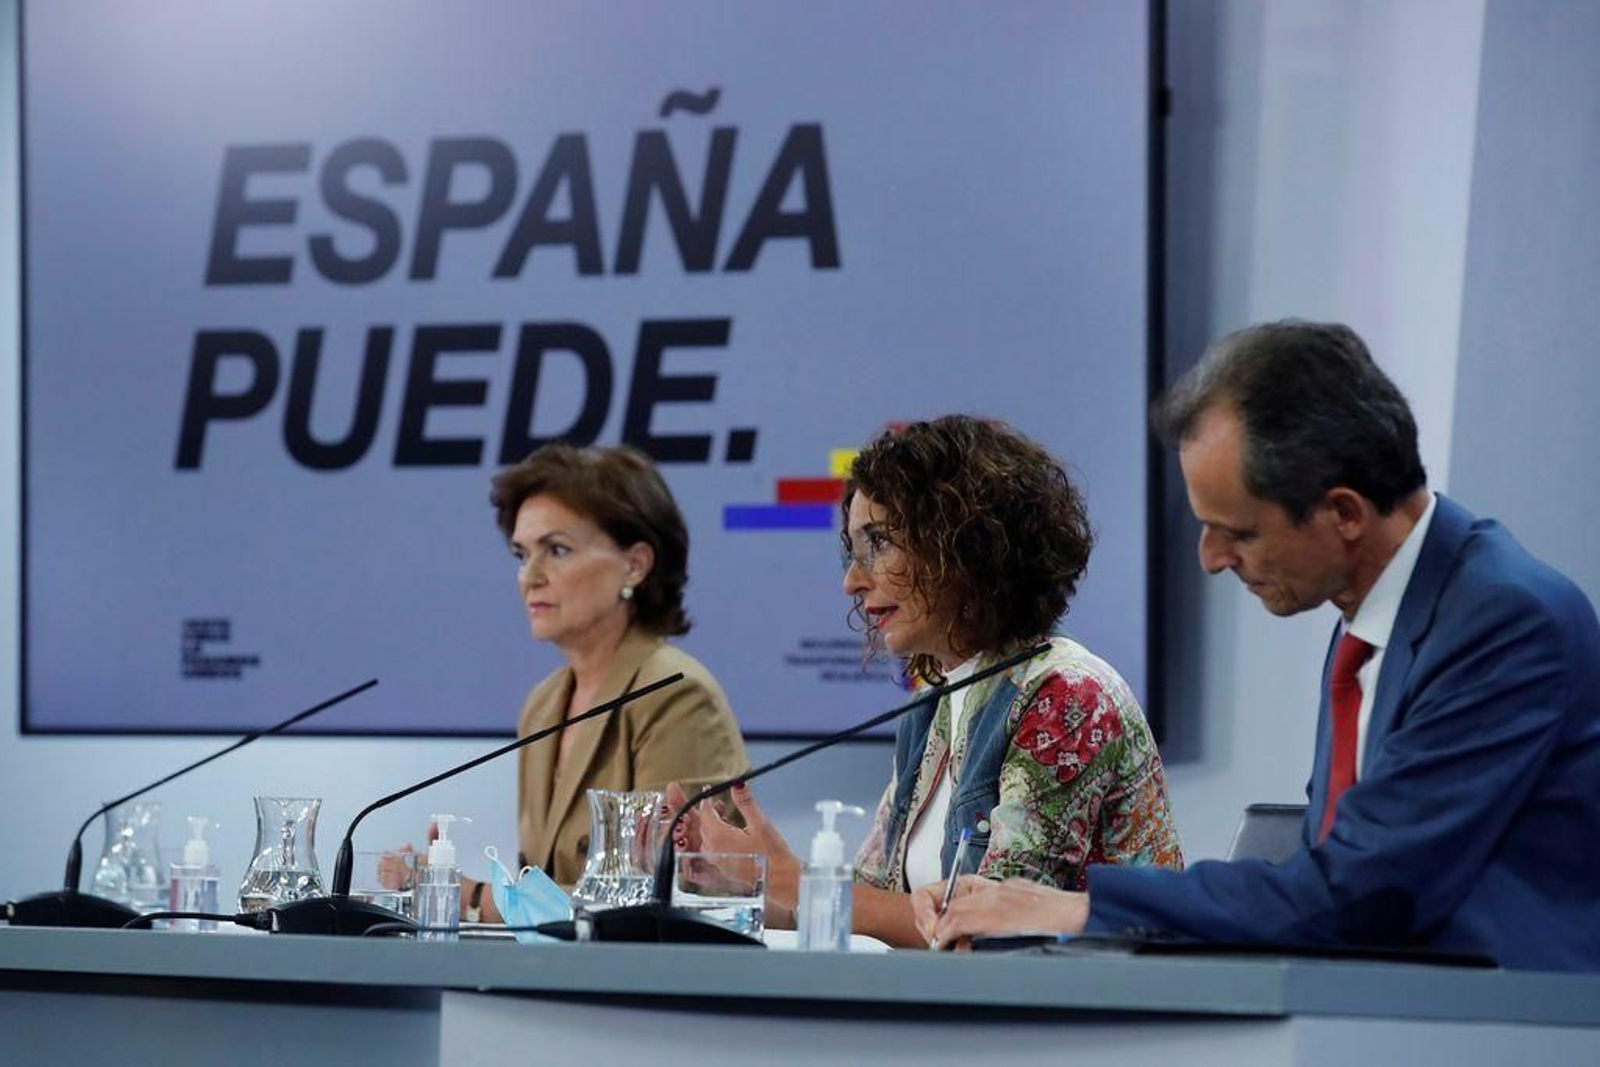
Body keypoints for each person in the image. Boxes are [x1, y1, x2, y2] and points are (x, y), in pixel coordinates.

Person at [917, 321, 1600, 972]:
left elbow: (1358, 894)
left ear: (1344, 513)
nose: (1211, 558)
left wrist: (1079, 906)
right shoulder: (1374, 620)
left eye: (1236, 532)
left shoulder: (1503, 620)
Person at [672, 415, 1183, 948]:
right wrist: (738, 886)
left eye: (881, 542)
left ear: (971, 547)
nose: (852, 580)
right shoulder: (935, 701)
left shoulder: (1068, 696)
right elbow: (876, 900)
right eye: (854, 548)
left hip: (1099, 1021)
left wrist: (797, 882)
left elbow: (994, 928)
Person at [394, 445, 748, 920]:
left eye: (556, 550)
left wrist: (476, 898)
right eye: (522, 554)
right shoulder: (543, 705)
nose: (530, 577)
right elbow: (542, 879)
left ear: (635, 565)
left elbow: (669, 895)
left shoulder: (676, 695)